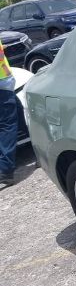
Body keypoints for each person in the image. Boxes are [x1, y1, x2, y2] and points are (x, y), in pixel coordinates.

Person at [0, 39, 18, 186]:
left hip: (3, 81)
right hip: (4, 80)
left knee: (7, 124)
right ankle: (39, 151)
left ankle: (5, 170)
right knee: (12, 118)